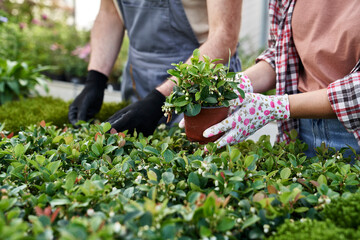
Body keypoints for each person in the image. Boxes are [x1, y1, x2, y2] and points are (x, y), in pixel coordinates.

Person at [203, 0, 360, 157]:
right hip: (300, 128)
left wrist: (276, 107)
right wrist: (237, 85)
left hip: (353, 135)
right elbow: (282, 54)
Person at [68, 0, 243, 136]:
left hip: (203, 88)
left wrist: (159, 99)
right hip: (139, 82)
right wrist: (96, 79)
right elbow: (109, 11)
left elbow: (224, 36)